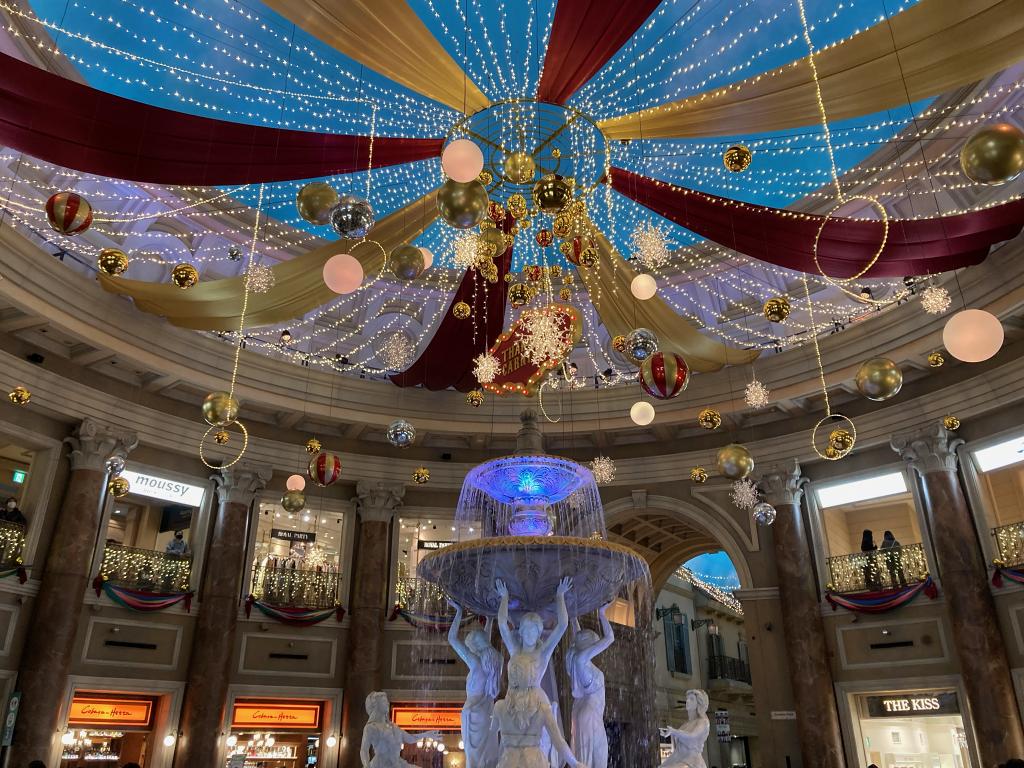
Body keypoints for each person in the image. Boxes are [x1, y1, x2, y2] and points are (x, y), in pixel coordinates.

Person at [489, 654, 588, 768]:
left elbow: (491, 736)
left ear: (510, 675)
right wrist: (575, 763)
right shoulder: (542, 709)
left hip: (509, 763)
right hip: (534, 763)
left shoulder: (499, 707)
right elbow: (559, 742)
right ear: (533, 677)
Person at [447, 600, 502, 768]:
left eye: (470, 647)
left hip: (472, 712)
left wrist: (458, 612)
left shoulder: (475, 662)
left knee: (473, 759)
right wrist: (490, 620)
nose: (469, 650)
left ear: (475, 647)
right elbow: (486, 641)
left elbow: (452, 639)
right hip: (487, 711)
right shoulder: (496, 660)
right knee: (487, 755)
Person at [565, 603, 614, 768]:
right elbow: (610, 638)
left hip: (581, 711)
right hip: (591, 716)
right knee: (596, 760)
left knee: (584, 757)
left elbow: (576, 638)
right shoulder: (581, 661)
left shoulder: (577, 663)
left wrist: (573, 618)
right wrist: (602, 614)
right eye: (594, 643)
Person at [360, 690, 439, 767]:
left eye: (387, 701)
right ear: (377, 705)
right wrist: (366, 766)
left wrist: (426, 734)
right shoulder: (371, 727)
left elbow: (410, 738)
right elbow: (364, 750)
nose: (387, 703)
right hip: (381, 764)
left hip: (397, 763)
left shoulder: (394, 727)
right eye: (384, 701)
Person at [660, 690, 710, 768]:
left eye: (691, 699)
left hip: (692, 763)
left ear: (698, 703)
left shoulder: (703, 722)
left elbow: (691, 736)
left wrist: (673, 731)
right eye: (687, 699)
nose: (688, 701)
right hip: (680, 759)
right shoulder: (685, 725)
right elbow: (678, 750)